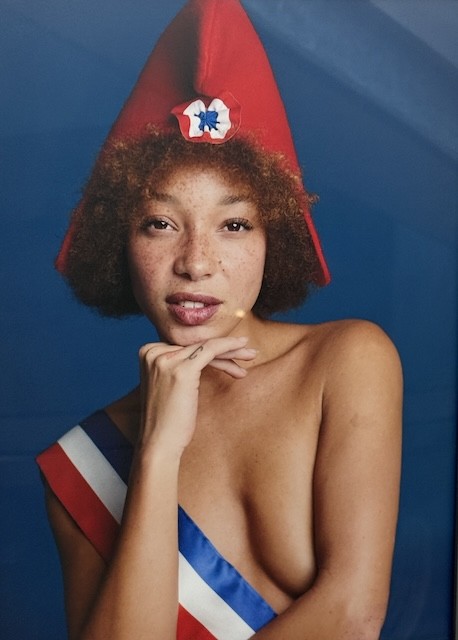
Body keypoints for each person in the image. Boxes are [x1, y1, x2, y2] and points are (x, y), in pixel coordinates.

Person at [37, 1, 402, 638]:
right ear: (118, 241)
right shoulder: (82, 466)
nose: (196, 263)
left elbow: (352, 615)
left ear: (273, 238)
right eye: (161, 223)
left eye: (233, 225)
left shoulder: (347, 361)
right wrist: (156, 452)